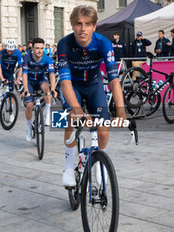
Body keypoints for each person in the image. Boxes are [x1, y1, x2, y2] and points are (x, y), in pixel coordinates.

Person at [57, 5, 125, 187]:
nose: (82, 28)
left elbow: (114, 81)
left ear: (94, 26)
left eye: (88, 24)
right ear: (72, 25)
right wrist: (78, 111)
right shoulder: (64, 44)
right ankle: (69, 166)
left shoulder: (103, 43)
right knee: (71, 118)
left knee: (103, 129)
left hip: (94, 85)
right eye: (78, 24)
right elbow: (65, 83)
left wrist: (121, 111)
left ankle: (98, 161)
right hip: (73, 86)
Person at [22, 38, 57, 140]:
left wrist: (53, 89)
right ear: (32, 48)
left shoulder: (47, 59)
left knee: (47, 88)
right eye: (37, 48)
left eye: (41, 48)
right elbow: (24, 74)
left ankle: (47, 113)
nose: (39, 51)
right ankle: (28, 126)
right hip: (30, 81)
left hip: (41, 80)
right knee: (29, 105)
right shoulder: (27, 58)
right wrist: (25, 90)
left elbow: (51, 74)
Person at [0, 39, 23, 122]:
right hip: (1, 70)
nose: (10, 53)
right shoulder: (1, 52)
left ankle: (11, 113)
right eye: (8, 51)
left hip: (10, 72)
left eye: (11, 51)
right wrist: (2, 78)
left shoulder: (18, 53)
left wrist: (18, 79)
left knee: (11, 93)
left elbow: (21, 67)